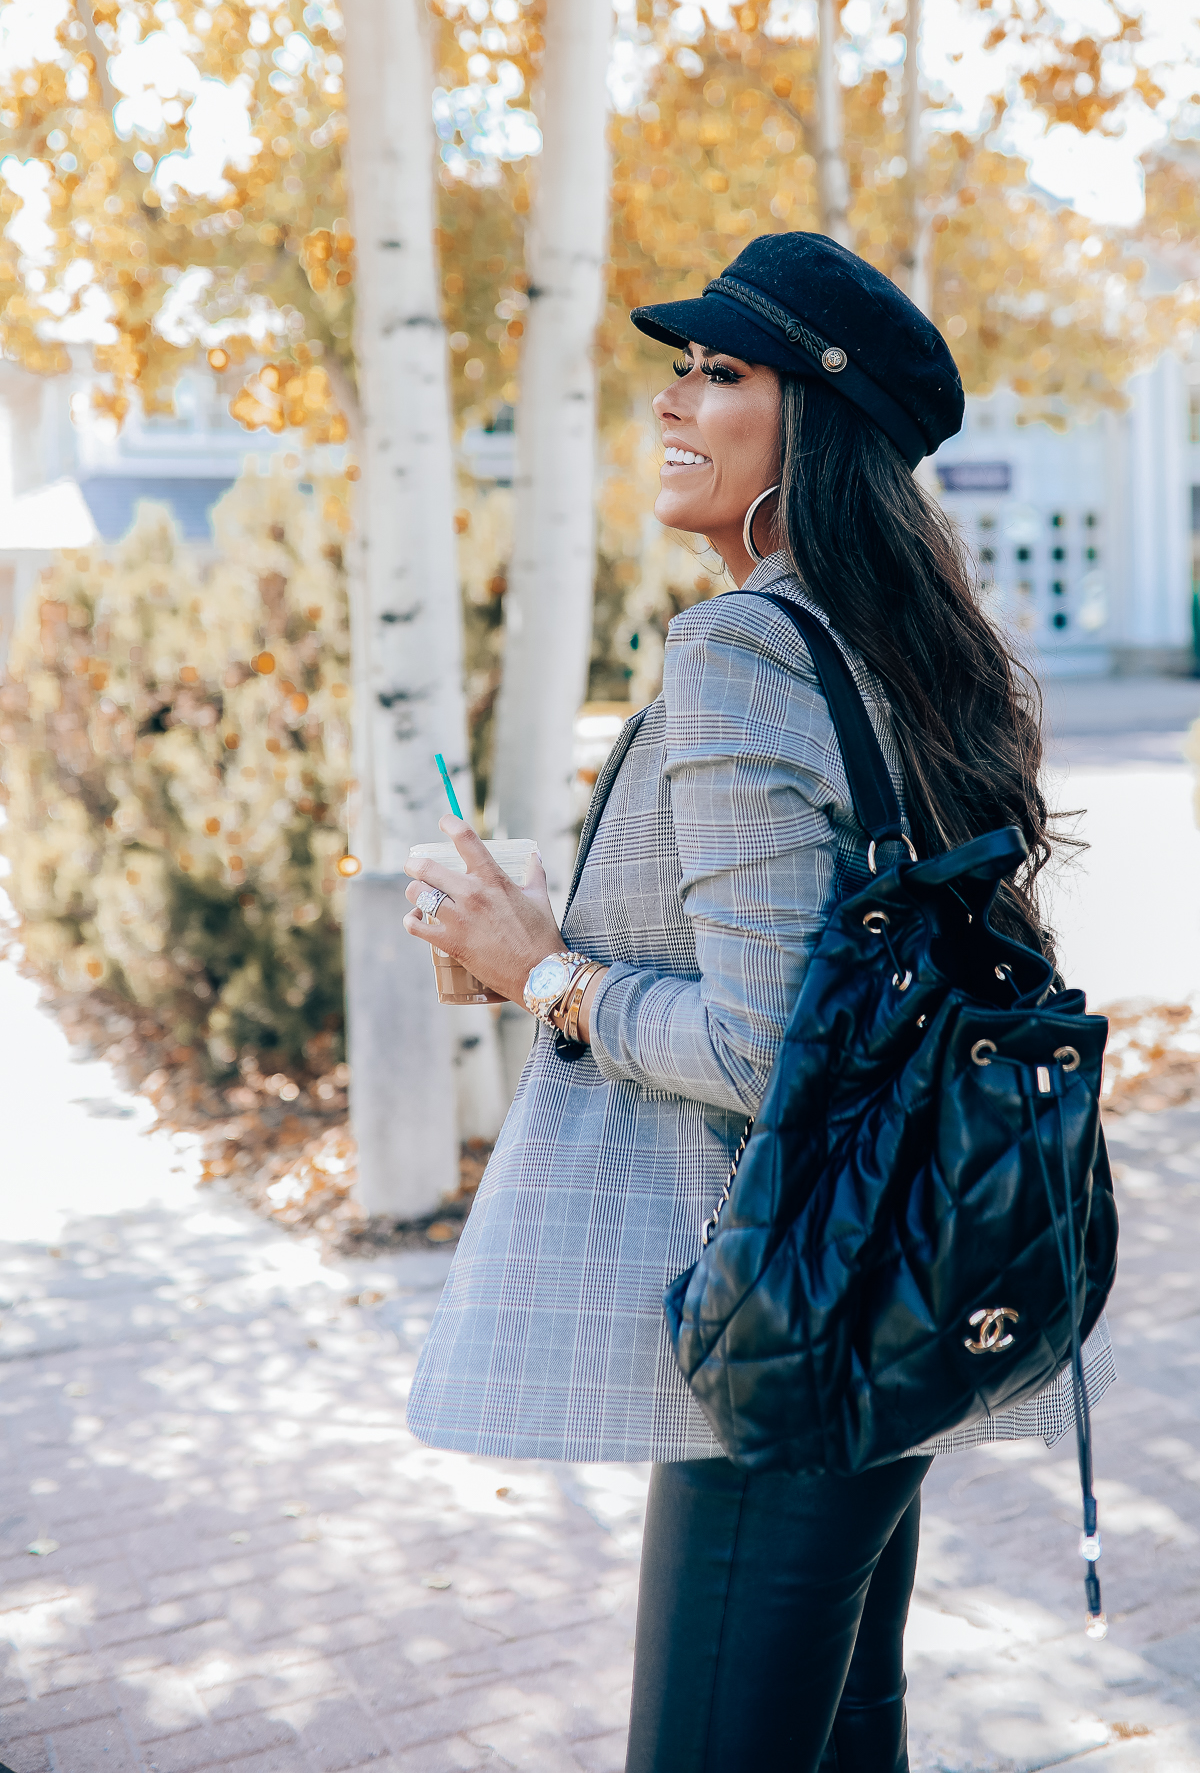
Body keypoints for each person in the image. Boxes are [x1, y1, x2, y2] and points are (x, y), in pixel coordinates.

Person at [402, 231, 1112, 1773]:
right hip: (907, 1283)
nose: (674, 397)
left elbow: (766, 1040)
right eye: (679, 364)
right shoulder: (921, 647)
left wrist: (544, 970)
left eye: (724, 371)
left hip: (782, 1311)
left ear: (819, 425)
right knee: (847, 1740)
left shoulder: (740, 646)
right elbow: (847, 962)